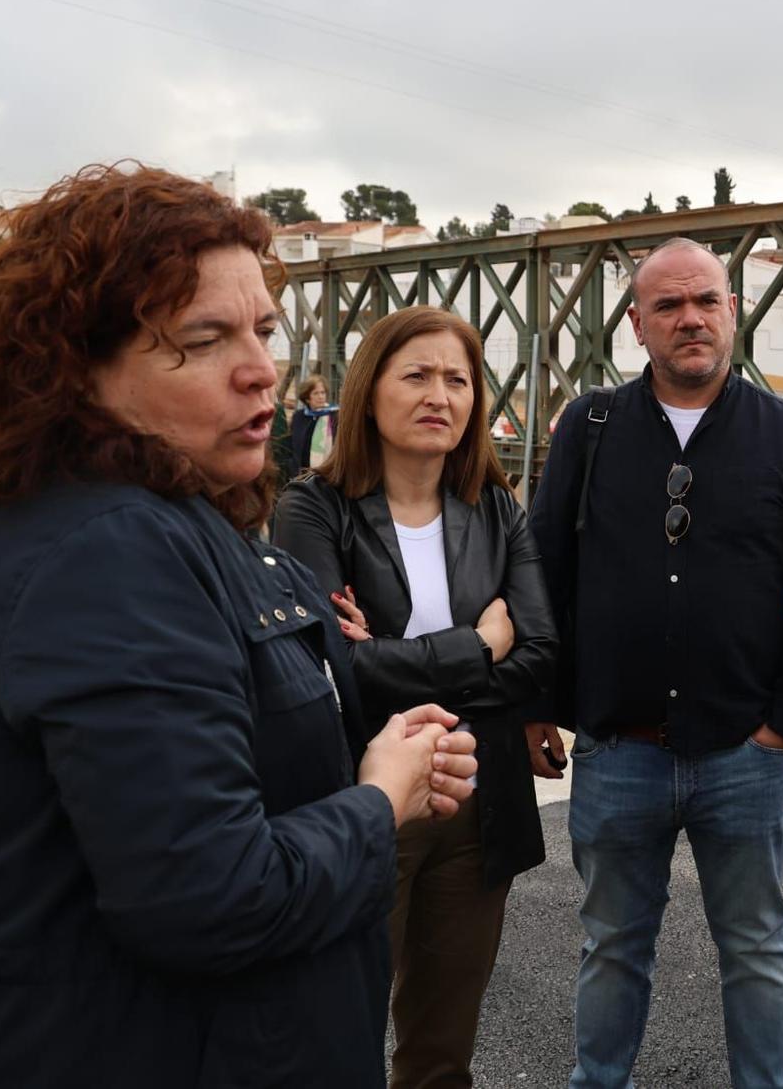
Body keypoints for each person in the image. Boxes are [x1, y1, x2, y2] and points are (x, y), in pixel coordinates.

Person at [0, 164, 478, 1088]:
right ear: (74, 369)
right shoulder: (110, 548)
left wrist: (384, 742)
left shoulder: (163, 520)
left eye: (263, 331)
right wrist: (377, 801)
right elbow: (213, 894)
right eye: (203, 340)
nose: (260, 368)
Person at [527, 236, 783, 1089]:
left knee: (758, 949)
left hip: (745, 750)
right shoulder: (589, 427)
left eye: (706, 300)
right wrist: (536, 704)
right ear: (637, 323)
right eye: (668, 305)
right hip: (617, 748)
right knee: (611, 948)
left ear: (733, 311)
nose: (690, 318)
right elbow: (544, 571)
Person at [273, 305, 559, 1089]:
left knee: (442, 1051)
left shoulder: (496, 507)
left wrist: (388, 658)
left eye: (458, 380)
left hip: (479, 802)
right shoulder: (312, 508)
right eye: (418, 375)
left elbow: (539, 654)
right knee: (335, 1038)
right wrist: (480, 643)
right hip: (365, 801)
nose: (440, 395)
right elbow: (330, 670)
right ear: (369, 392)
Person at [290, 374, 339, 473]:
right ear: (307, 398)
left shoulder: (335, 416)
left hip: (329, 473)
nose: (320, 397)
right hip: (301, 473)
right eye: (316, 393)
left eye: (323, 392)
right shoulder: (299, 417)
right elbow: (292, 446)